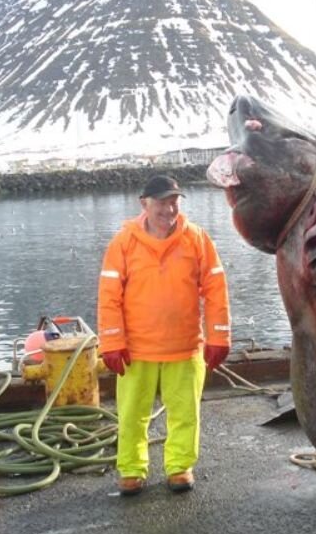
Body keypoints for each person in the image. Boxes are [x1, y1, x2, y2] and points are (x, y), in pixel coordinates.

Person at [97, 174, 231, 495]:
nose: (168, 209)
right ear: (145, 204)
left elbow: (215, 289)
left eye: (173, 201)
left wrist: (219, 337)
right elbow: (109, 296)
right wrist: (112, 342)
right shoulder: (123, 244)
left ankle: (179, 467)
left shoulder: (197, 240)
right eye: (161, 202)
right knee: (132, 415)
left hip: (185, 349)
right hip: (136, 351)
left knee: (185, 413)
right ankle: (131, 470)